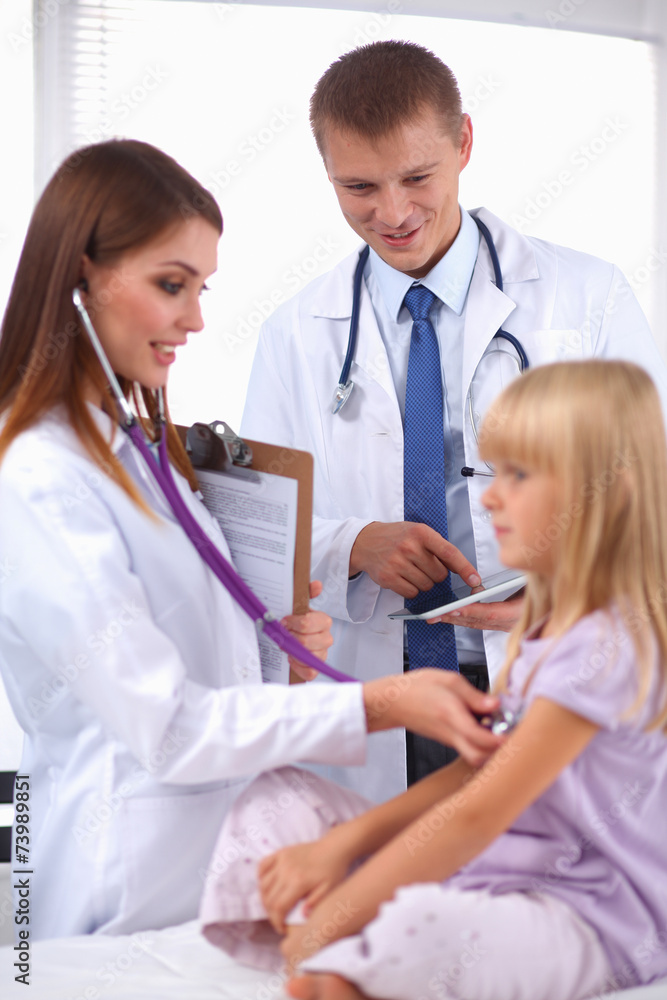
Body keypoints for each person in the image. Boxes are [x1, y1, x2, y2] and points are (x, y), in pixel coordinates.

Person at [0, 139, 504, 941]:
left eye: (201, 289)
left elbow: (196, 660)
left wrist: (277, 656)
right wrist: (377, 702)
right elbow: (164, 725)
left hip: (210, 864)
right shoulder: (39, 477)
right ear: (81, 278)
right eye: (171, 285)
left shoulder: (139, 452)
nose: (196, 320)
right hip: (116, 879)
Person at [241, 40, 667, 795]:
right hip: (380, 689)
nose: (393, 213)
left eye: (417, 177)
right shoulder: (294, 333)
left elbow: (651, 494)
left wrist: (573, 594)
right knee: (389, 857)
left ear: (463, 142)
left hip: (553, 669)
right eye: (358, 187)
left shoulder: (586, 298)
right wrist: (351, 544)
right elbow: (258, 530)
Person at [202, 359, 667, 1000]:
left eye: (518, 475)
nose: (490, 496)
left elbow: (478, 813)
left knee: (431, 927)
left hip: (587, 914)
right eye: (494, 471)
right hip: (497, 867)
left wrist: (342, 907)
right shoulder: (546, 629)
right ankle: (337, 948)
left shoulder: (606, 645)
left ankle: (340, 949)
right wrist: (339, 848)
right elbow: (475, 769)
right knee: (278, 801)